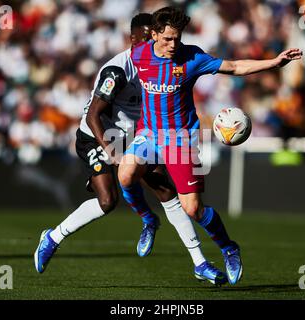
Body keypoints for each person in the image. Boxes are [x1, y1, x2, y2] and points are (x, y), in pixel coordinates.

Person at [34, 13, 228, 285]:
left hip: (136, 137)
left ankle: (200, 263)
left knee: (166, 191)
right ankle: (53, 237)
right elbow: (93, 115)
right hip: (97, 135)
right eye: (145, 38)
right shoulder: (118, 70)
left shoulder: (161, 63)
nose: (151, 43)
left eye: (154, 37)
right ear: (132, 39)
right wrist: (112, 151)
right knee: (107, 201)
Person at [118, 7, 303, 285]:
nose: (173, 44)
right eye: (167, 39)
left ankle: (229, 247)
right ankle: (148, 220)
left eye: (177, 38)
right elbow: (116, 72)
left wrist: (273, 63)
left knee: (193, 209)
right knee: (125, 173)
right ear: (153, 34)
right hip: (149, 134)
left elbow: (235, 66)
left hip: (180, 140)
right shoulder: (138, 54)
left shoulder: (191, 57)